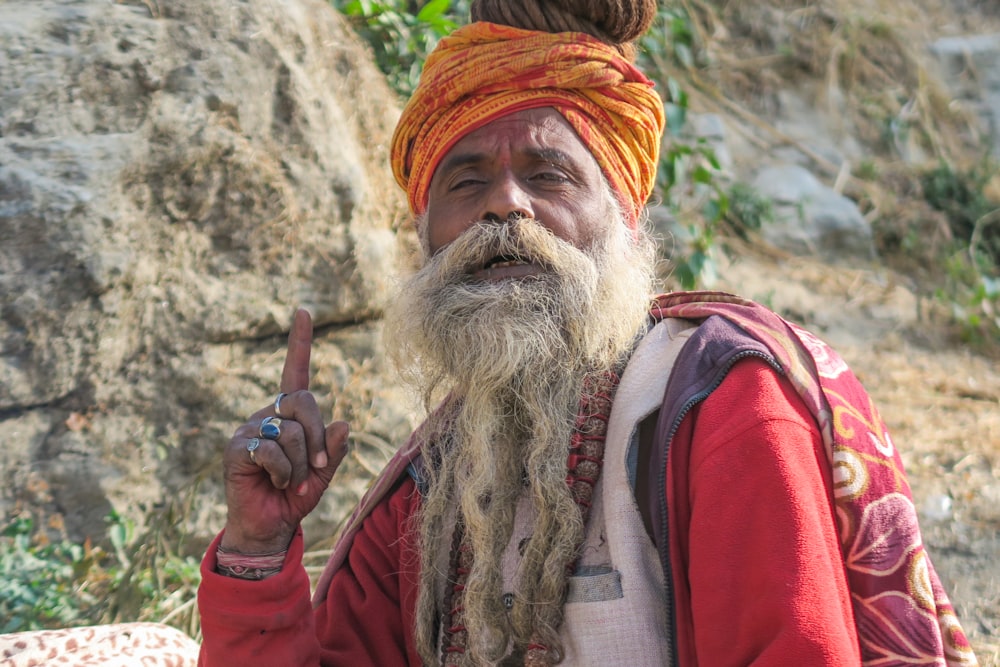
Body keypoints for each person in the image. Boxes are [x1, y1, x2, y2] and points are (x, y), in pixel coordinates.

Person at [196, 1, 979, 665]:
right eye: (466, 180)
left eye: (549, 175)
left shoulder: (722, 401)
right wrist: (258, 549)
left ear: (627, 218)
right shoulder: (433, 480)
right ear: (425, 235)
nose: (506, 206)